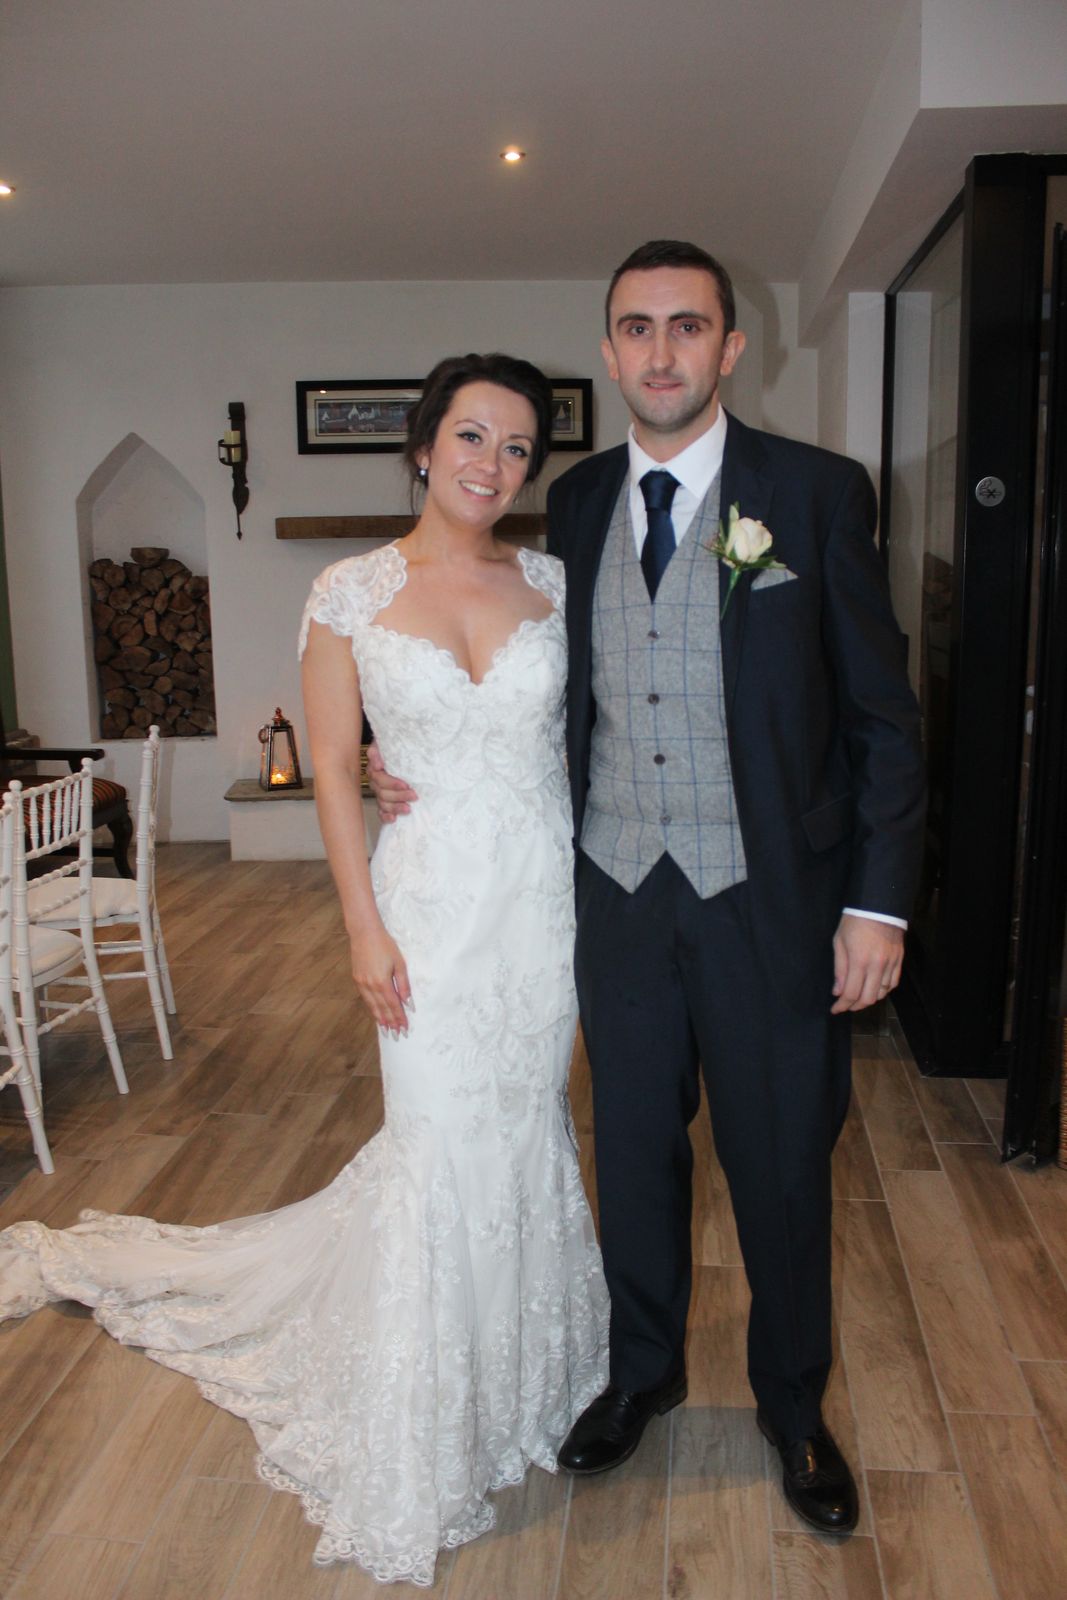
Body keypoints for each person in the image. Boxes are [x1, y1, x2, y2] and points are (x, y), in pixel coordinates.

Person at [0, 352, 608, 1588]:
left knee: (521, 1125)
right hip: (425, 908)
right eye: (471, 436)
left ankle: (522, 1377)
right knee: (436, 1141)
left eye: (516, 447)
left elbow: (584, 734)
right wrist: (360, 928)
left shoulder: (552, 580)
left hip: (541, 908)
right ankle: (427, 1426)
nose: (491, 463)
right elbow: (332, 767)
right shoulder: (348, 590)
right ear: (423, 446)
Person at [371, 243, 926, 1536]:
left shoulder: (815, 493)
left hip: (768, 897)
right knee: (628, 1151)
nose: (660, 350)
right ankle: (640, 1371)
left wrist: (877, 904)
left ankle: (791, 1407)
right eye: (636, 327)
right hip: (612, 893)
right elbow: (494, 673)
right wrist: (383, 760)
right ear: (608, 350)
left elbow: (883, 721)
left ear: (729, 347)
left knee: (779, 1161)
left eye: (686, 326)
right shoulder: (569, 504)